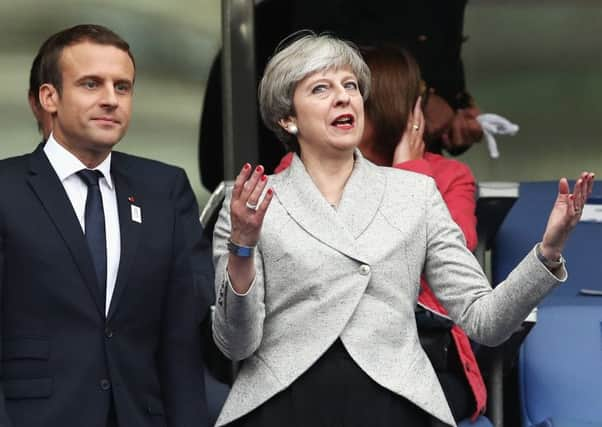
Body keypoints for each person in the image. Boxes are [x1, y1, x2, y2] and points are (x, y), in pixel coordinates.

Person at [211, 33, 594, 427]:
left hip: (390, 400)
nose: (344, 97)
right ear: (287, 118)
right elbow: (235, 342)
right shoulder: (252, 203)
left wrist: (547, 251)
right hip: (284, 400)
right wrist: (243, 245)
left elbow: (486, 320)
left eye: (351, 86)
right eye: (321, 89)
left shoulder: (414, 193)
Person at [0, 24, 211, 427]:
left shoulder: (165, 190)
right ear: (50, 97)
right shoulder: (6, 190)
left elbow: (181, 338)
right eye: (91, 84)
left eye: (123, 87)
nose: (111, 100)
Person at [199, 0, 480, 193]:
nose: (345, 98)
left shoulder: (448, 180)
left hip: (409, 161)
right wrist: (425, 102)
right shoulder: (293, 179)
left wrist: (455, 107)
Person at [359, 45, 482, 421]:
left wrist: (408, 173)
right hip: (334, 357)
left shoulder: (449, 177)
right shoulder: (310, 169)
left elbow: (447, 261)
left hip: (428, 359)